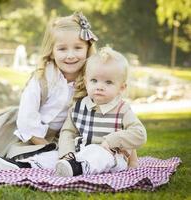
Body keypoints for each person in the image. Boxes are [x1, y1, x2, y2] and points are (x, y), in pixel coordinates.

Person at [0, 12, 98, 171]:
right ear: (51, 51)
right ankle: (6, 160)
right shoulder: (43, 77)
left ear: (87, 49)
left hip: (60, 137)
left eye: (78, 48)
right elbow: (27, 117)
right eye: (62, 49)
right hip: (21, 128)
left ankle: (11, 165)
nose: (70, 55)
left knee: (55, 158)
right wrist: (44, 146)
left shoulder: (92, 79)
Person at [55, 47, 147, 177]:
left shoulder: (122, 110)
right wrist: (67, 153)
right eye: (94, 80)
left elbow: (139, 134)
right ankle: (27, 163)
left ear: (121, 88)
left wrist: (112, 141)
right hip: (80, 153)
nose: (99, 86)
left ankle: (76, 168)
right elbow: (68, 132)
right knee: (54, 153)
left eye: (108, 82)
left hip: (111, 157)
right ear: (86, 82)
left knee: (96, 153)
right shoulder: (78, 107)